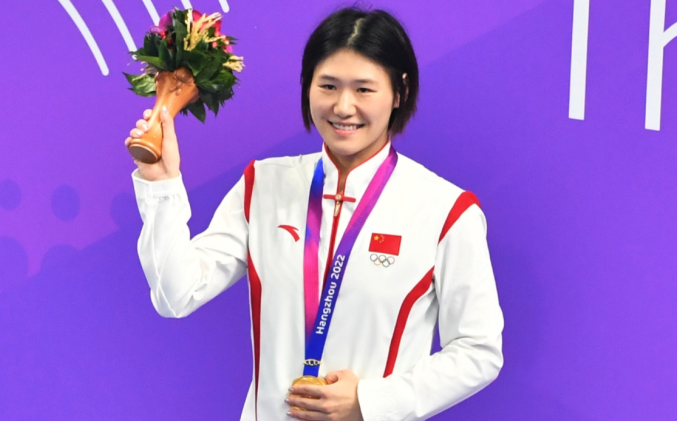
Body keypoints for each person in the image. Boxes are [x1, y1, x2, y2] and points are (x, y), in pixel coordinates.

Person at [126, 7, 503, 421]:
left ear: (400, 92)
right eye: (328, 86)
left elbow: (479, 350)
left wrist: (372, 401)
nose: (343, 106)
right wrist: (161, 184)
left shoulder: (445, 210)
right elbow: (175, 295)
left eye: (364, 89)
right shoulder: (263, 185)